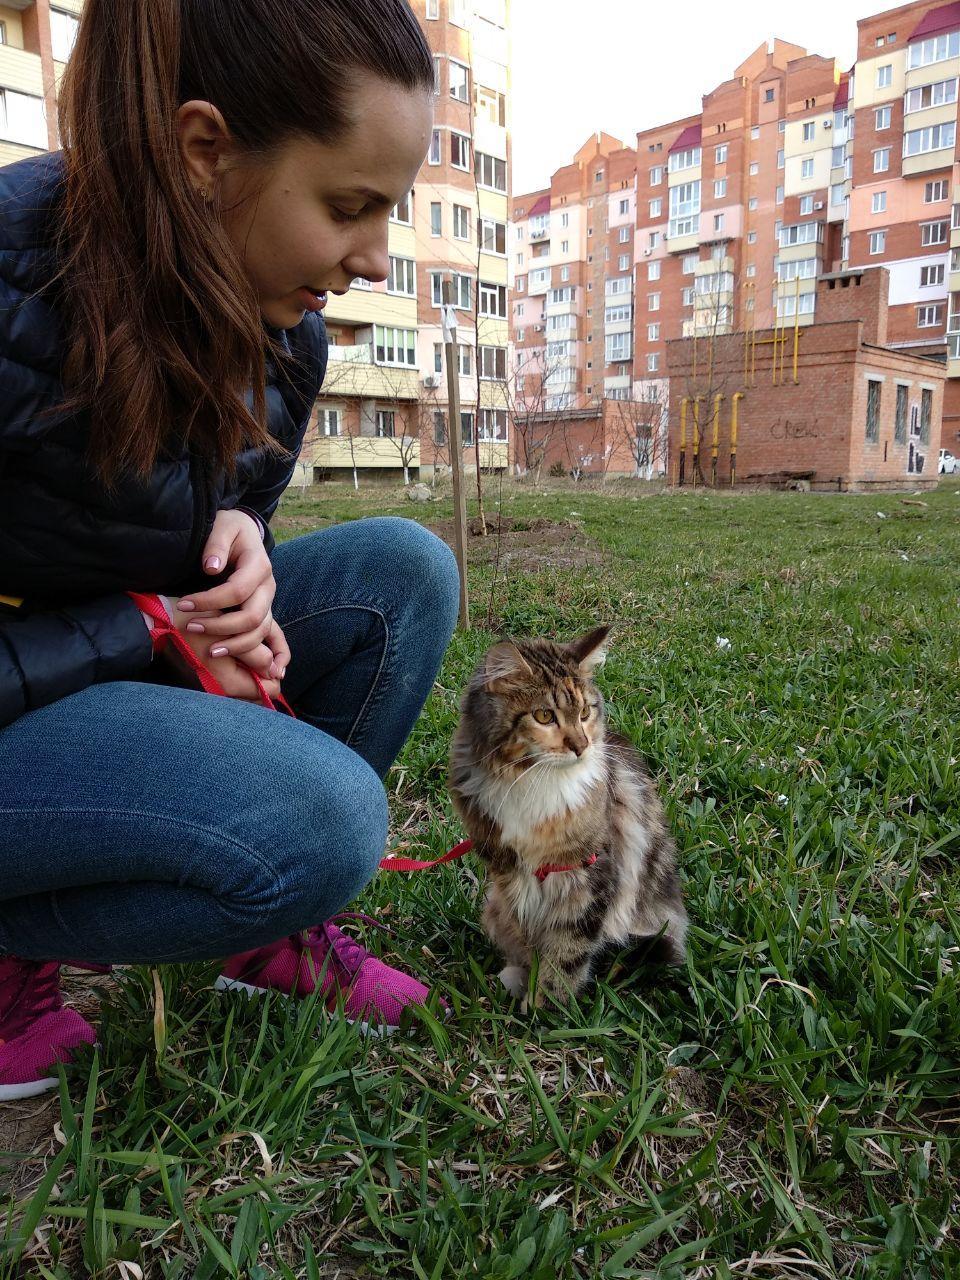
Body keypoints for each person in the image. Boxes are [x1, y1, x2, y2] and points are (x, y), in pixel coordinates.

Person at [0, 0, 461, 1101]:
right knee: (325, 817)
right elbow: (126, 600)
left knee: (405, 574)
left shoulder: (282, 333)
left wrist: (243, 546)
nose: (373, 258)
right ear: (205, 150)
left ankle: (269, 938)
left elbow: (219, 517)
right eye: (350, 206)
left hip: (92, 672)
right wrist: (137, 622)